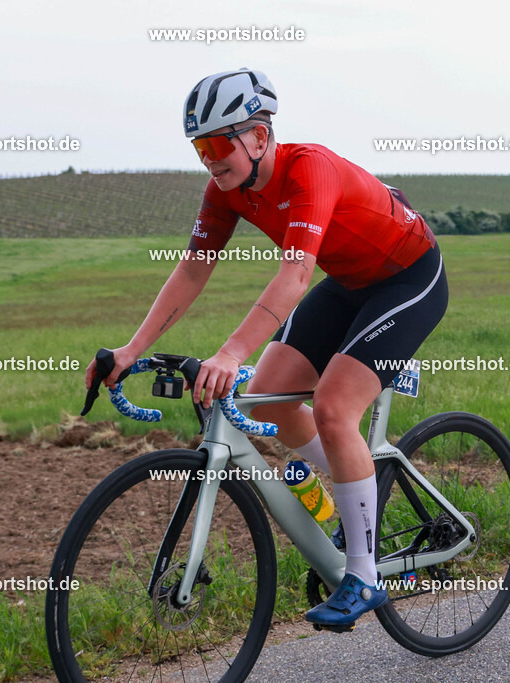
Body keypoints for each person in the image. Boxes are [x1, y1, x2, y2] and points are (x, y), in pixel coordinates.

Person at [85, 69, 448, 626]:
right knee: (270, 403)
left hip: (408, 278)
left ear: (258, 135)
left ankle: (363, 575)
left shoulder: (311, 170)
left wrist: (229, 353)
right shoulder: (226, 190)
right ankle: (360, 481)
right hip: (349, 282)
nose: (208, 159)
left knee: (331, 407)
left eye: (215, 143)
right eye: (198, 147)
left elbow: (295, 274)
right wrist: (131, 349)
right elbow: (191, 271)